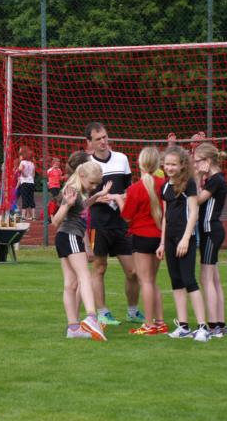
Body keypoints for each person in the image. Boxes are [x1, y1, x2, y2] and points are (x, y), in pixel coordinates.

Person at [85, 122, 142, 326]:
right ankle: (103, 312)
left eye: (105, 137)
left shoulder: (121, 159)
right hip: (97, 224)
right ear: (89, 142)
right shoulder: (86, 164)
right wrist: (96, 199)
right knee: (99, 268)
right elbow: (81, 198)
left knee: (133, 271)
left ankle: (133, 312)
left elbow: (129, 190)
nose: (103, 141)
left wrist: (120, 197)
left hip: (121, 223)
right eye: (98, 139)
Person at [51, 161, 112, 341]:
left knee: (71, 284)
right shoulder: (72, 190)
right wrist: (66, 205)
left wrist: (98, 195)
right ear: (82, 175)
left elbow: (82, 205)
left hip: (66, 237)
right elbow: (55, 221)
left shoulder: (79, 191)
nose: (93, 187)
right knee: (84, 276)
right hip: (69, 235)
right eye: (92, 183)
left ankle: (73, 328)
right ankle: (92, 317)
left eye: (96, 184)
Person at [156, 146, 210, 342]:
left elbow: (194, 212)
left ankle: (203, 327)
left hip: (185, 238)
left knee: (189, 281)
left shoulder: (189, 184)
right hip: (170, 239)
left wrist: (186, 238)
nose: (170, 167)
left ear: (182, 165)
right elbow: (165, 217)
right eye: (167, 164)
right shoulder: (164, 187)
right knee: (176, 282)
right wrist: (162, 243)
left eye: (173, 164)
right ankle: (183, 326)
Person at [117, 147, 167, 335]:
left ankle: (148, 324)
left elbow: (126, 216)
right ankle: (160, 322)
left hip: (142, 236)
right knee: (152, 281)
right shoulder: (164, 185)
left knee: (145, 281)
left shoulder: (135, 188)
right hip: (159, 236)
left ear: (140, 164)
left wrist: (119, 199)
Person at [194, 143, 227, 337]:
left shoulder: (215, 180)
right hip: (211, 231)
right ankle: (220, 324)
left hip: (210, 231)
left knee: (206, 279)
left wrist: (198, 176)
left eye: (197, 161)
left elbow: (196, 200)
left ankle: (214, 325)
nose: (195, 165)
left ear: (207, 161)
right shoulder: (214, 179)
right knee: (214, 279)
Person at [16, 147, 36, 221]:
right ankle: (33, 216)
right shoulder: (32, 164)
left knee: (24, 199)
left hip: (24, 182)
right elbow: (33, 175)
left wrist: (23, 174)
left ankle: (23, 216)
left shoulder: (23, 162)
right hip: (31, 182)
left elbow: (20, 169)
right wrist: (29, 177)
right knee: (31, 199)